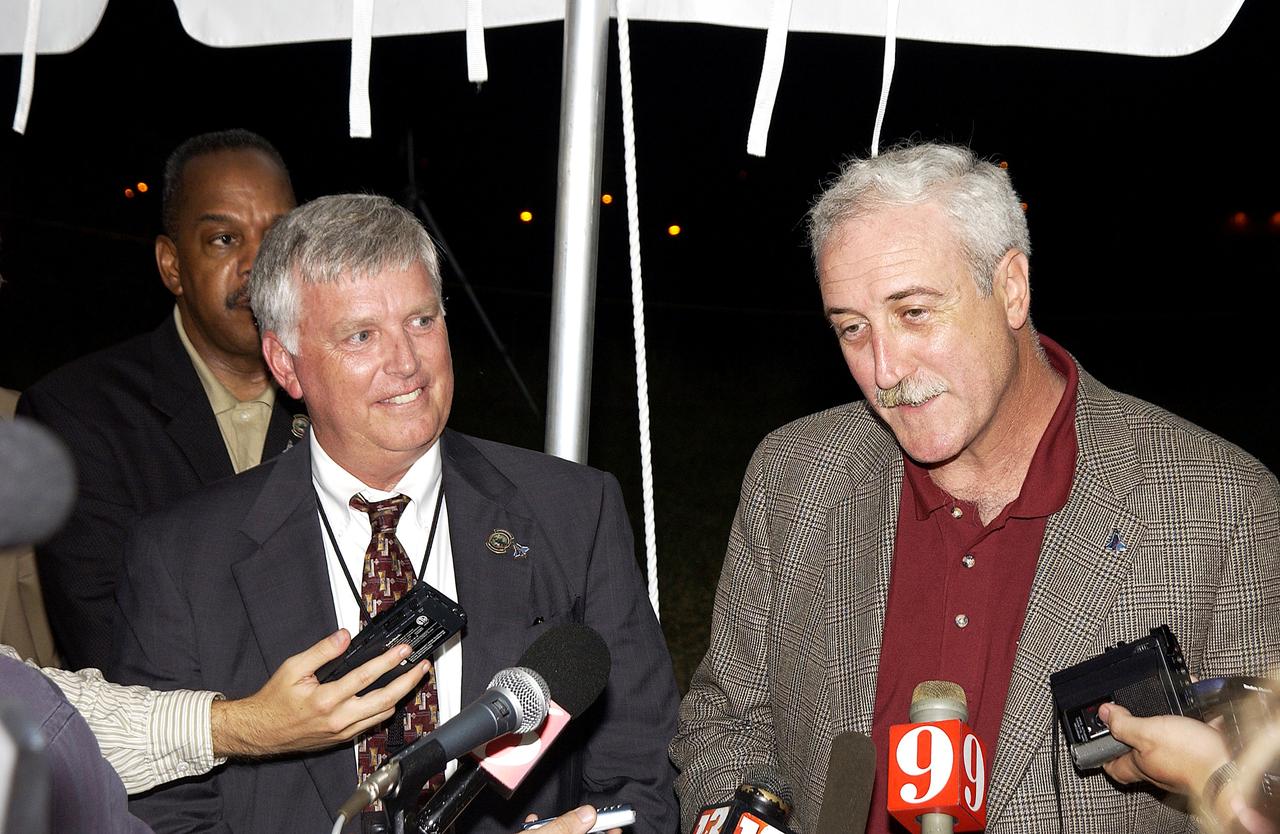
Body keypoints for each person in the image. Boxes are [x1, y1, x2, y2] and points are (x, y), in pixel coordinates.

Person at [669, 142, 1280, 833]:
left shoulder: (1217, 505)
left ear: (1012, 288)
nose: (885, 367)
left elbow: (1266, 780)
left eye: (915, 313)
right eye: (851, 328)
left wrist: (1224, 779)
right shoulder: (795, 476)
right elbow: (728, 720)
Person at [109, 194, 680, 834]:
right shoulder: (183, 557)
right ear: (285, 363)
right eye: (361, 335)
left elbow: (643, 782)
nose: (407, 363)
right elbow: (162, 814)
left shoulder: (573, 514)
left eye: (422, 321)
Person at [17, 128, 304, 670]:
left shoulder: (342, 394)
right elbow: (113, 651)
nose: (257, 264)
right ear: (172, 265)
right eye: (224, 239)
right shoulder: (78, 417)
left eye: (279, 236)